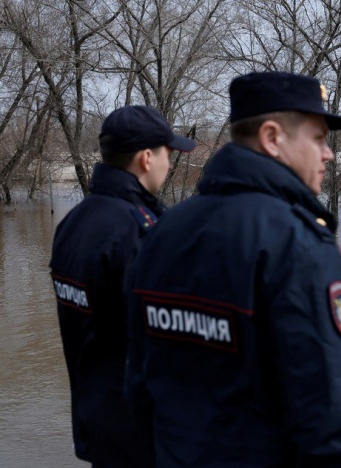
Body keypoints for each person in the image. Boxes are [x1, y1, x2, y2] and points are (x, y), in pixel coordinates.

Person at [125, 72, 341, 466]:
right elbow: (334, 420)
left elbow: (138, 385)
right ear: (272, 137)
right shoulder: (298, 247)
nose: (328, 154)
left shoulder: (163, 231)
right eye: (318, 138)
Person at [49, 105, 195, 467]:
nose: (169, 163)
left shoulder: (74, 222)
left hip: (97, 421)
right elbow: (166, 342)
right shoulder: (138, 230)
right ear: (147, 158)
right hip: (143, 435)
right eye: (167, 153)